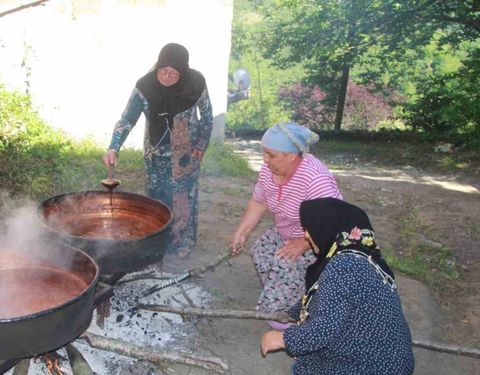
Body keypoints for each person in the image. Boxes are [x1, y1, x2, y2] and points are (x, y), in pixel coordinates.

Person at [260, 197, 415, 375]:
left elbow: (323, 329)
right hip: (387, 358)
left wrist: (282, 339)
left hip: (371, 366)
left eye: (310, 227)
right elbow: (324, 297)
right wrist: (290, 315)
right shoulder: (362, 258)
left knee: (308, 362)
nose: (307, 235)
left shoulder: (344, 266)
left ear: (327, 227)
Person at [102, 43, 213, 258]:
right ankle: (159, 239)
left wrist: (201, 145)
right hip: (155, 152)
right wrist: (113, 147)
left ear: (184, 72)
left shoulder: (195, 83)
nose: (168, 77)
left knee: (183, 196)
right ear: (157, 67)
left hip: (185, 153)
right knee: (156, 196)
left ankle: (183, 242)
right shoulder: (145, 87)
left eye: (175, 73)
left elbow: (207, 116)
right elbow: (126, 120)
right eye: (164, 71)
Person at [229, 122, 342, 326]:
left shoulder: (315, 178)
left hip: (318, 241)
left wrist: (304, 243)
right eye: (264, 153)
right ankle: (288, 292)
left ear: (291, 155)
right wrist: (242, 232)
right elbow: (259, 201)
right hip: (286, 230)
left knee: (285, 262)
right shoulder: (267, 171)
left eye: (271, 155)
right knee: (261, 251)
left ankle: (290, 318)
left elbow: (334, 221)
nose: (265, 160)